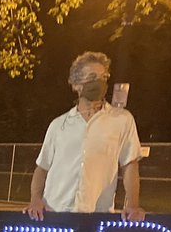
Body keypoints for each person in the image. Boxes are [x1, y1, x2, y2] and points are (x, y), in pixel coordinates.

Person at [27, 51, 144, 222]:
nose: (98, 82)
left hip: (95, 216)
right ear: (76, 85)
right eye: (91, 76)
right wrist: (35, 200)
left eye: (103, 77)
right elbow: (42, 168)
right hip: (53, 214)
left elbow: (130, 164)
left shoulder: (122, 120)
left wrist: (133, 204)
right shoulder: (58, 125)